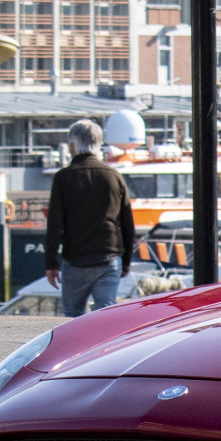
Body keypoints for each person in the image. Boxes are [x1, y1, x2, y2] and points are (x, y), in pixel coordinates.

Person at [43, 119, 135, 317]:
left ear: (72, 147)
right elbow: (128, 225)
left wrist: (51, 263)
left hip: (75, 260)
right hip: (109, 259)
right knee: (105, 318)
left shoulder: (63, 178)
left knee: (73, 317)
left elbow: (55, 224)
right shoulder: (114, 176)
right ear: (99, 145)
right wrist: (126, 261)